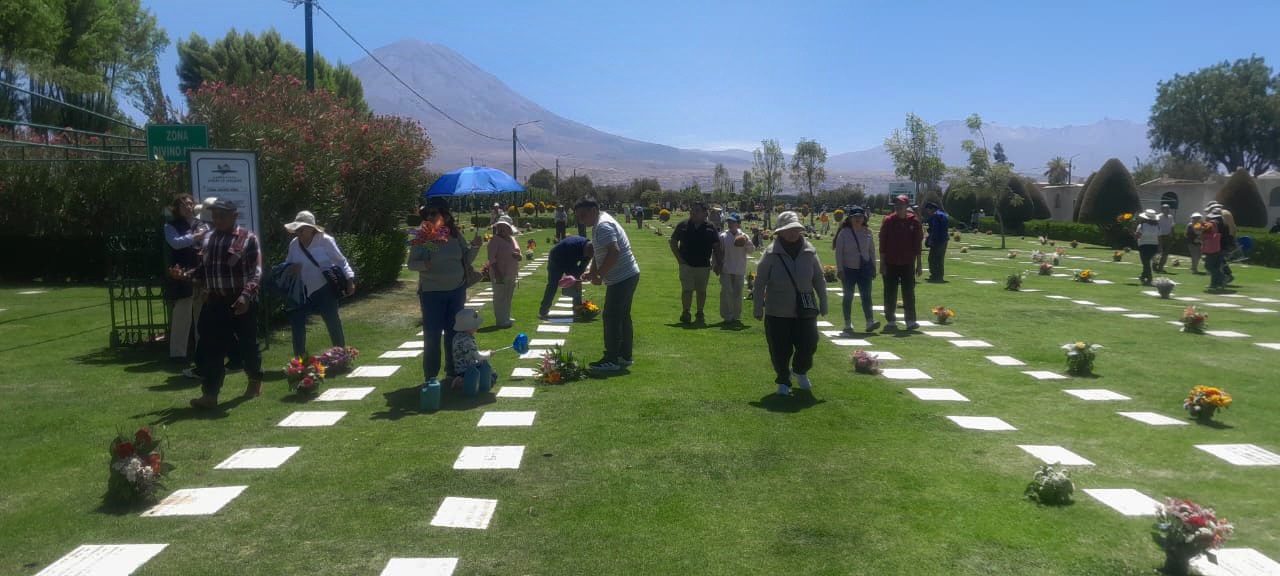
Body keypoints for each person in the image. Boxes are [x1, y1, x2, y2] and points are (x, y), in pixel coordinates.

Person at [169, 198, 264, 408]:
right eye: (215, 215)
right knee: (213, 348)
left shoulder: (248, 238)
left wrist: (246, 297)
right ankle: (210, 394)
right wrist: (184, 274)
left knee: (248, 345)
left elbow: (255, 273)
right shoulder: (208, 238)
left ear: (234, 216)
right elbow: (203, 271)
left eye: (222, 215)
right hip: (216, 302)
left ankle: (255, 379)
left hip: (241, 302)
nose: (218, 219)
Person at [408, 196, 483, 385]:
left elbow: (466, 259)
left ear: (445, 215)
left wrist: (475, 247)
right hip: (432, 293)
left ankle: (453, 372)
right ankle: (431, 375)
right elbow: (411, 263)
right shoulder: (423, 237)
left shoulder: (455, 236)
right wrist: (424, 264)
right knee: (432, 334)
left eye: (434, 213)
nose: (430, 217)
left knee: (454, 333)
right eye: (427, 214)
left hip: (456, 291)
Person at [753, 211, 828, 396]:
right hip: (777, 310)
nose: (793, 233)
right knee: (780, 349)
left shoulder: (809, 251)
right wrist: (757, 306)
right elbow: (760, 281)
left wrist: (824, 302)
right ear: (780, 232)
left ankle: (800, 370)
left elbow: (818, 278)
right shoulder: (771, 253)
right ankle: (784, 380)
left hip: (806, 307)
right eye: (789, 230)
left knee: (810, 343)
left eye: (796, 229)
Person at [577, 198, 640, 371]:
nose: (581, 220)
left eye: (583, 215)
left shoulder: (603, 226)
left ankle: (611, 359)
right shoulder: (600, 222)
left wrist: (600, 275)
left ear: (594, 211)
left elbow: (614, 252)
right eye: (578, 216)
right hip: (628, 275)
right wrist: (592, 272)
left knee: (611, 317)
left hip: (622, 278)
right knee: (622, 316)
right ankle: (624, 356)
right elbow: (600, 252)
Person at [284, 210, 355, 358]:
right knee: (297, 325)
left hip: (325, 289)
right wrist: (291, 268)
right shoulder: (294, 244)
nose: (298, 232)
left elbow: (341, 261)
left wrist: (350, 280)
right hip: (302, 290)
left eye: (301, 229)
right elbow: (287, 265)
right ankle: (299, 360)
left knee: (332, 322)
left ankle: (341, 356)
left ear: (311, 228)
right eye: (297, 229)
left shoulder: (325, 240)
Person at [163, 194, 206, 362]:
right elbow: (175, 243)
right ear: (177, 209)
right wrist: (195, 237)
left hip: (201, 271)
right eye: (184, 205)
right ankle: (178, 354)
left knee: (202, 314)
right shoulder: (170, 226)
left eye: (190, 204)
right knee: (182, 314)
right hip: (181, 272)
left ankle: (202, 350)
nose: (188, 207)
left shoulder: (202, 224)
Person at [669, 202, 722, 324]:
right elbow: (672, 242)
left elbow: (717, 247)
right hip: (686, 264)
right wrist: (680, 260)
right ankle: (686, 312)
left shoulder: (711, 227)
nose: (693, 212)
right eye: (692, 210)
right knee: (687, 290)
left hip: (703, 266)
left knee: (701, 291)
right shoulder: (683, 225)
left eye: (697, 210)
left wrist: (719, 264)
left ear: (705, 213)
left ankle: (700, 312)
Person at [878, 195, 923, 330]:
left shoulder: (914, 222)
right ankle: (891, 319)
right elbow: (883, 243)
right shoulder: (888, 221)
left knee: (908, 292)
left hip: (907, 263)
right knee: (890, 292)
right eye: (897, 205)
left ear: (906, 207)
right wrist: (882, 264)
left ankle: (910, 320)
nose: (899, 208)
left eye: (902, 206)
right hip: (890, 262)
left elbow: (917, 245)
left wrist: (919, 264)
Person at [833, 207, 879, 335]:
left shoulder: (868, 232)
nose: (858, 219)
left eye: (860, 216)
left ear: (864, 218)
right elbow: (839, 253)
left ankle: (870, 321)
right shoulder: (844, 233)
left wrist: (873, 268)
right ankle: (847, 323)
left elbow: (872, 252)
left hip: (864, 270)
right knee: (848, 297)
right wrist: (840, 269)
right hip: (848, 270)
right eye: (855, 217)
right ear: (850, 218)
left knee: (867, 296)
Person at [538, 235, 593, 320]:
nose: (587, 256)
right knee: (553, 284)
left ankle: (577, 309)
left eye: (589, 256)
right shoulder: (573, 246)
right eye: (587, 254)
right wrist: (575, 277)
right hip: (556, 258)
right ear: (585, 249)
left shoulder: (590, 250)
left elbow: (583, 265)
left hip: (568, 259)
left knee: (577, 281)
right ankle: (543, 310)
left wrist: (580, 277)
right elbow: (571, 266)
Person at [714, 213, 754, 325]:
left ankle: (736, 315)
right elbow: (717, 252)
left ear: (738, 224)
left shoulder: (744, 236)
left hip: (739, 269)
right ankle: (727, 316)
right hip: (726, 268)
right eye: (729, 222)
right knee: (726, 292)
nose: (730, 224)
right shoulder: (723, 236)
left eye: (733, 222)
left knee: (737, 293)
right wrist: (716, 265)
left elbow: (751, 250)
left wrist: (746, 241)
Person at [487, 215, 521, 328]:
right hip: (500, 273)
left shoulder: (512, 239)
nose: (501, 229)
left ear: (509, 229)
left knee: (508, 295)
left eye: (504, 227)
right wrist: (497, 273)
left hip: (511, 272)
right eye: (499, 226)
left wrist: (518, 256)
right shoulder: (494, 240)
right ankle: (501, 320)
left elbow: (518, 253)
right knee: (500, 296)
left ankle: (506, 316)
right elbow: (492, 259)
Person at [451, 309, 497, 394]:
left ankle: (461, 379)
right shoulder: (468, 340)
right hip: (470, 370)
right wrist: (489, 354)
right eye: (475, 326)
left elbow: (468, 352)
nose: (477, 328)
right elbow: (478, 356)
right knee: (492, 376)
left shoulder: (457, 337)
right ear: (468, 327)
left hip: (459, 369)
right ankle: (464, 382)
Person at [1206, 201, 1236, 284]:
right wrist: (1231, 240)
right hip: (1227, 241)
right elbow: (1233, 228)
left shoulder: (1215, 218)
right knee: (1220, 261)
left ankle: (1223, 277)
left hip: (1217, 244)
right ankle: (1219, 280)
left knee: (1213, 263)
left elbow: (1207, 232)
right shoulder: (1226, 214)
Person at [922, 201, 949, 282]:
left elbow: (935, 229)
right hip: (944, 240)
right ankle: (939, 276)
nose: (928, 212)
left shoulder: (935, 215)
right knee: (940, 259)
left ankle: (935, 275)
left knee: (932, 258)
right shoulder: (943, 214)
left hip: (937, 240)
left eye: (928, 210)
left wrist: (930, 240)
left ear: (932, 209)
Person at [1134, 209, 1160, 285]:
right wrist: (1160, 247)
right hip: (1154, 246)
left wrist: (1131, 231)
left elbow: (1137, 237)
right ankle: (1143, 276)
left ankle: (1149, 278)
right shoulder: (1157, 226)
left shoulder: (1141, 226)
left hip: (1144, 246)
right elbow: (1159, 237)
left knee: (1146, 263)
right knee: (1147, 262)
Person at [1200, 216, 1225, 291]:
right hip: (1217, 249)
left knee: (1209, 266)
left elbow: (1204, 234)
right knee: (1215, 267)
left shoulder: (1209, 225)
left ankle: (1222, 277)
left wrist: (1199, 223)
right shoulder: (1215, 225)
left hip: (1211, 250)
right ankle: (1215, 284)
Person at [1155, 203, 1176, 272]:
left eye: (1168, 208)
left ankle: (1161, 267)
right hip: (1159, 236)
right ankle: (1155, 265)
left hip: (1168, 237)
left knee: (1166, 253)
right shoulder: (1158, 217)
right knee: (1159, 252)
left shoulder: (1170, 217)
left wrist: (1172, 235)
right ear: (1162, 209)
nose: (1168, 210)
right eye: (1166, 208)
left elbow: (1172, 226)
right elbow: (1156, 227)